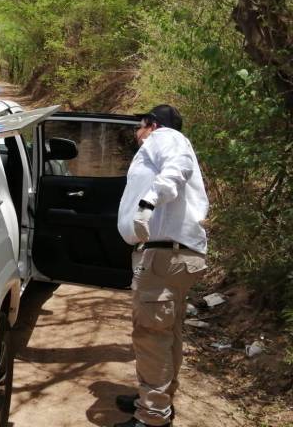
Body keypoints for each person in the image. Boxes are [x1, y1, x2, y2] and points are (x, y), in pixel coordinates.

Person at [114, 105, 209, 427]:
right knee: (167, 334)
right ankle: (156, 401)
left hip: (165, 255)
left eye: (139, 127)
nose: (137, 135)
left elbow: (177, 167)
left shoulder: (165, 137)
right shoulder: (167, 141)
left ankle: (152, 416)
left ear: (150, 124)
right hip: (177, 254)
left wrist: (146, 203)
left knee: (151, 336)